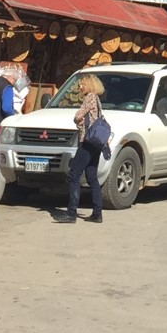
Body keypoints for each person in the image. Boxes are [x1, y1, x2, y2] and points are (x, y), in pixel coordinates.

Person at [56, 74, 108, 224]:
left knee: (74, 174)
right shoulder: (97, 99)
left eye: (82, 84)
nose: (80, 87)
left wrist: (76, 117)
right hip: (96, 142)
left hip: (87, 141)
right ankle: (97, 213)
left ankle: (71, 212)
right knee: (91, 176)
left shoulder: (90, 97)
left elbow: (79, 116)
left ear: (90, 85)